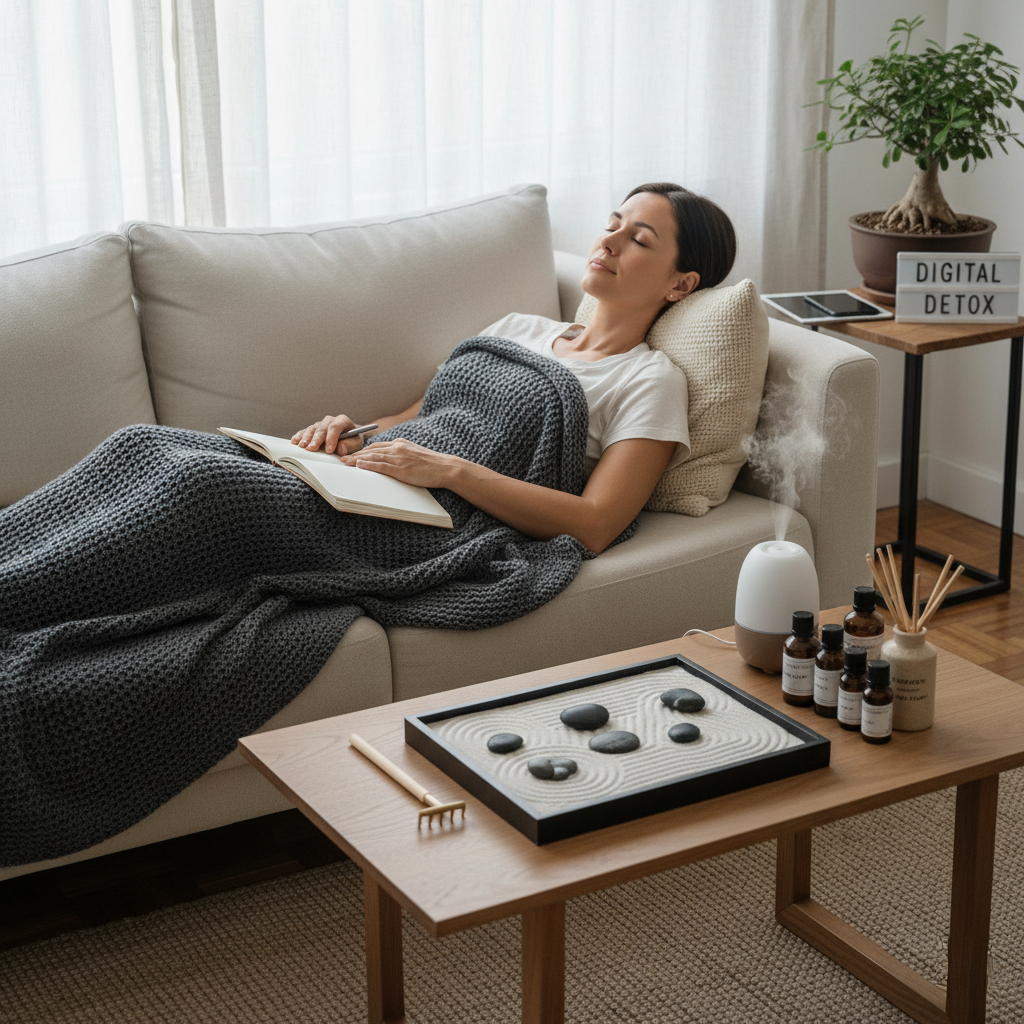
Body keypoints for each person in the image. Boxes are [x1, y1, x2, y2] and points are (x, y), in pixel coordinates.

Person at [292, 183, 736, 554]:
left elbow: (597, 524)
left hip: (427, 519)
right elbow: (417, 419)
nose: (608, 242)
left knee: (224, 493)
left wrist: (450, 472)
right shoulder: (518, 327)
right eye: (611, 225)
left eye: (638, 240)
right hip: (359, 478)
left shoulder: (649, 381)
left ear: (680, 284)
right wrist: (350, 434)